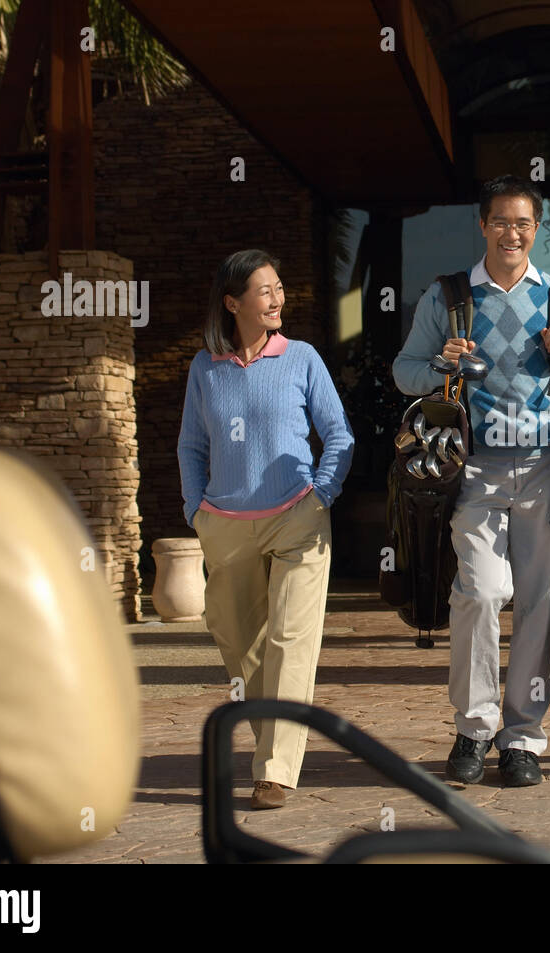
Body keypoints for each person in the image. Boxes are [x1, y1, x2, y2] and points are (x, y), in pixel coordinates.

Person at [393, 175, 550, 787]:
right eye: (500, 221)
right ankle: (474, 727)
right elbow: (404, 371)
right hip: (477, 469)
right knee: (482, 593)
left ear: (535, 229)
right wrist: (442, 364)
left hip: (548, 465)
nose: (511, 232)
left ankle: (523, 738)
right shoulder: (448, 298)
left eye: (523, 223)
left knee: (542, 602)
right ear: (484, 226)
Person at [177, 249, 354, 809]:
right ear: (233, 303)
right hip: (224, 526)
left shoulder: (300, 357)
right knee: (239, 643)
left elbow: (339, 435)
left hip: (297, 520)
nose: (277, 299)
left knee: (289, 642)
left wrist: (321, 494)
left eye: (279, 288)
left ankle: (275, 769)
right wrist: (194, 510)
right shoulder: (206, 366)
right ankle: (271, 741)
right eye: (264, 291)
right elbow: (191, 445)